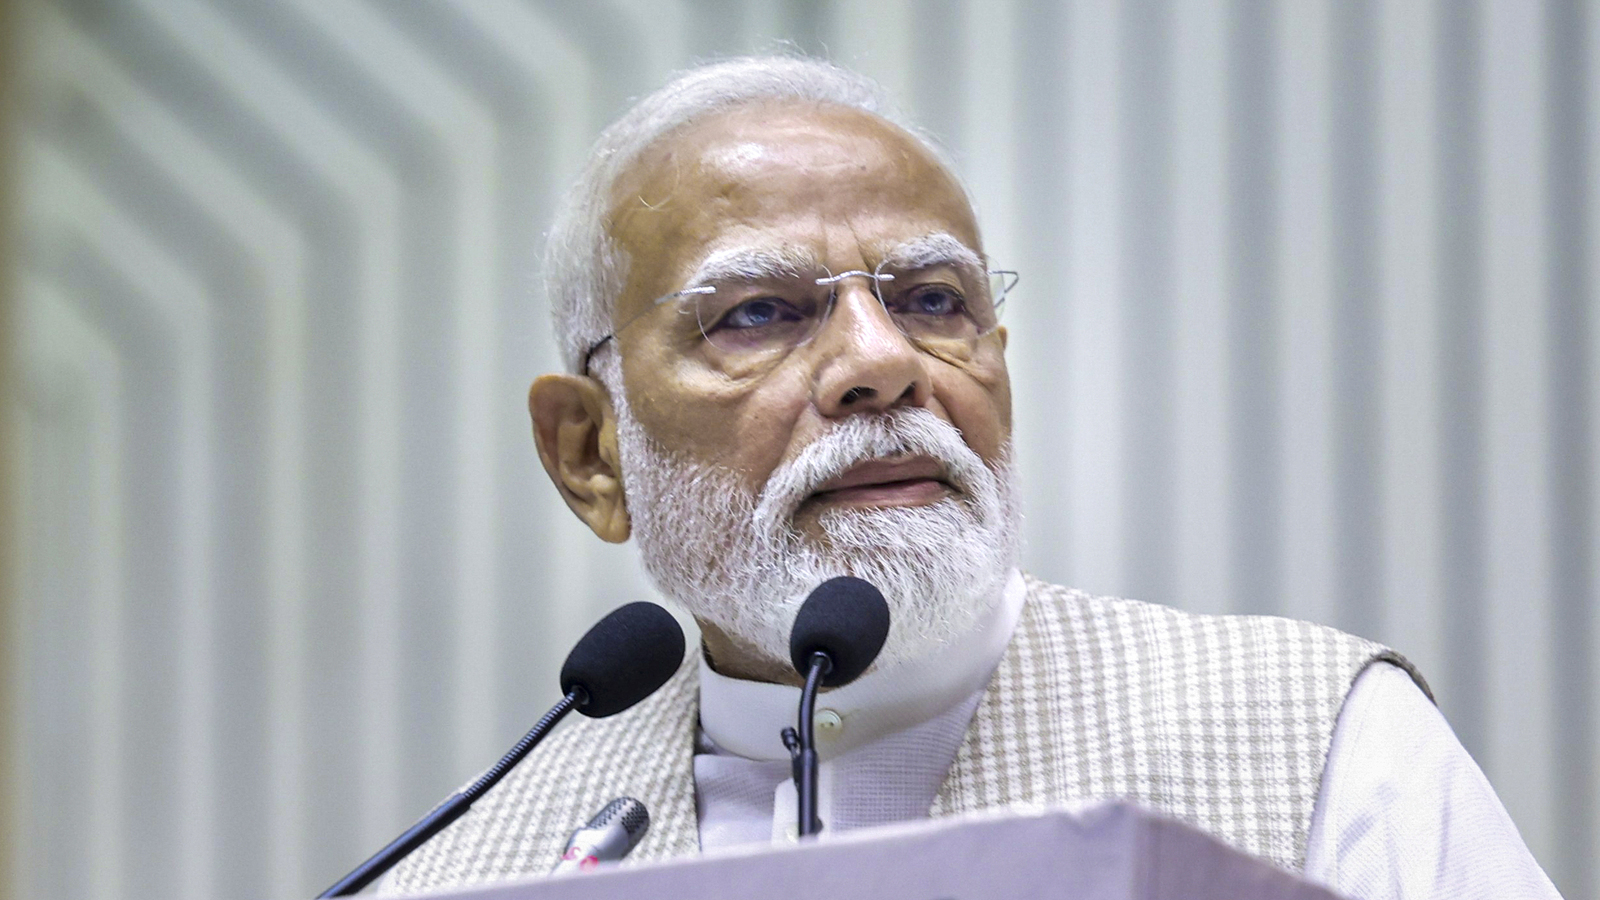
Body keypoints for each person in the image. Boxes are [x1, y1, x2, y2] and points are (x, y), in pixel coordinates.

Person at [382, 56, 1559, 899]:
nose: (881, 364)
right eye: (757, 314)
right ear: (590, 453)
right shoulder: (474, 872)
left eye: (933, 300)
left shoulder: (1316, 740)